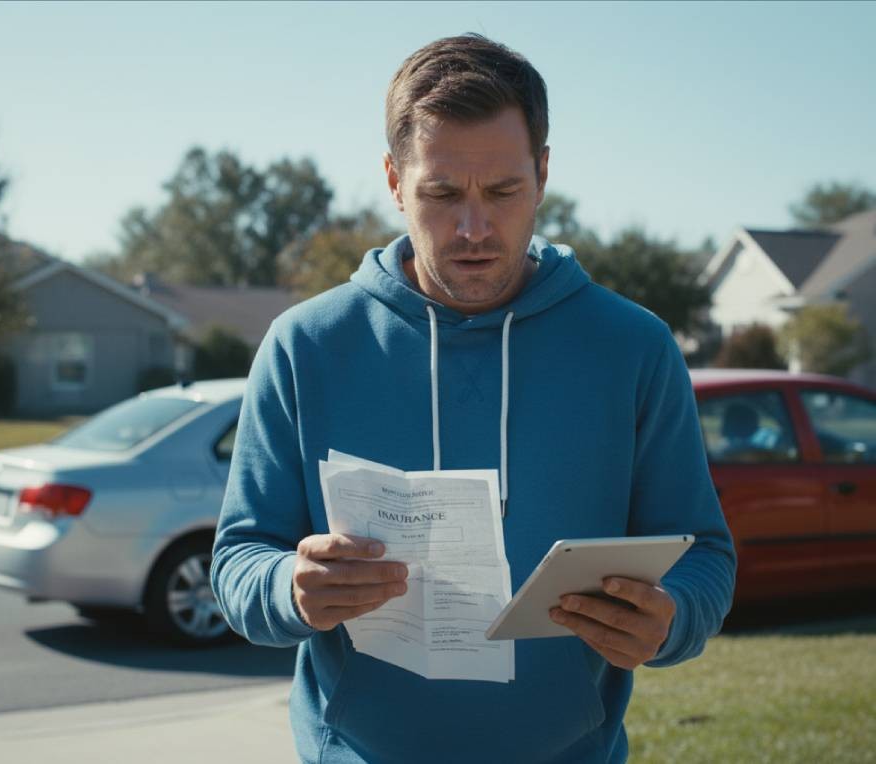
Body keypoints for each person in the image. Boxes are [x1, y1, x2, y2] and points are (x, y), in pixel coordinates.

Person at [211, 34, 736, 764]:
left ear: (544, 174)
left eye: (502, 192)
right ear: (395, 182)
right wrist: (287, 589)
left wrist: (671, 617)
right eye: (441, 194)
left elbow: (705, 553)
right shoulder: (306, 346)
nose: (473, 229)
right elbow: (239, 557)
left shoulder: (633, 348)